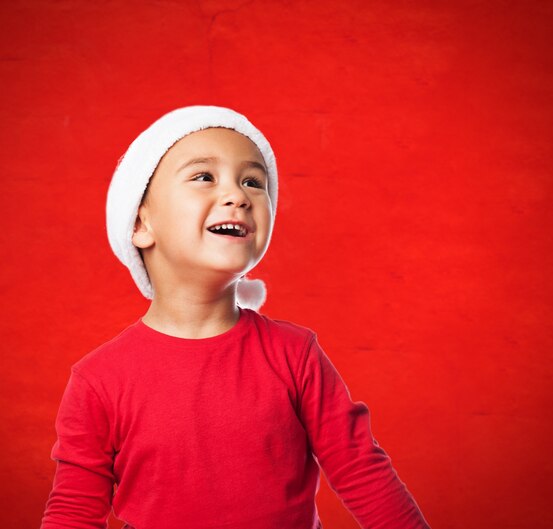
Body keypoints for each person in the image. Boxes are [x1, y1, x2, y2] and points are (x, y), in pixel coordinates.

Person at [40, 105, 431, 529]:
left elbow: (362, 471)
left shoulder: (296, 354)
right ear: (140, 223)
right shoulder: (98, 380)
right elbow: (74, 512)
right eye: (204, 176)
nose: (239, 196)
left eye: (252, 182)